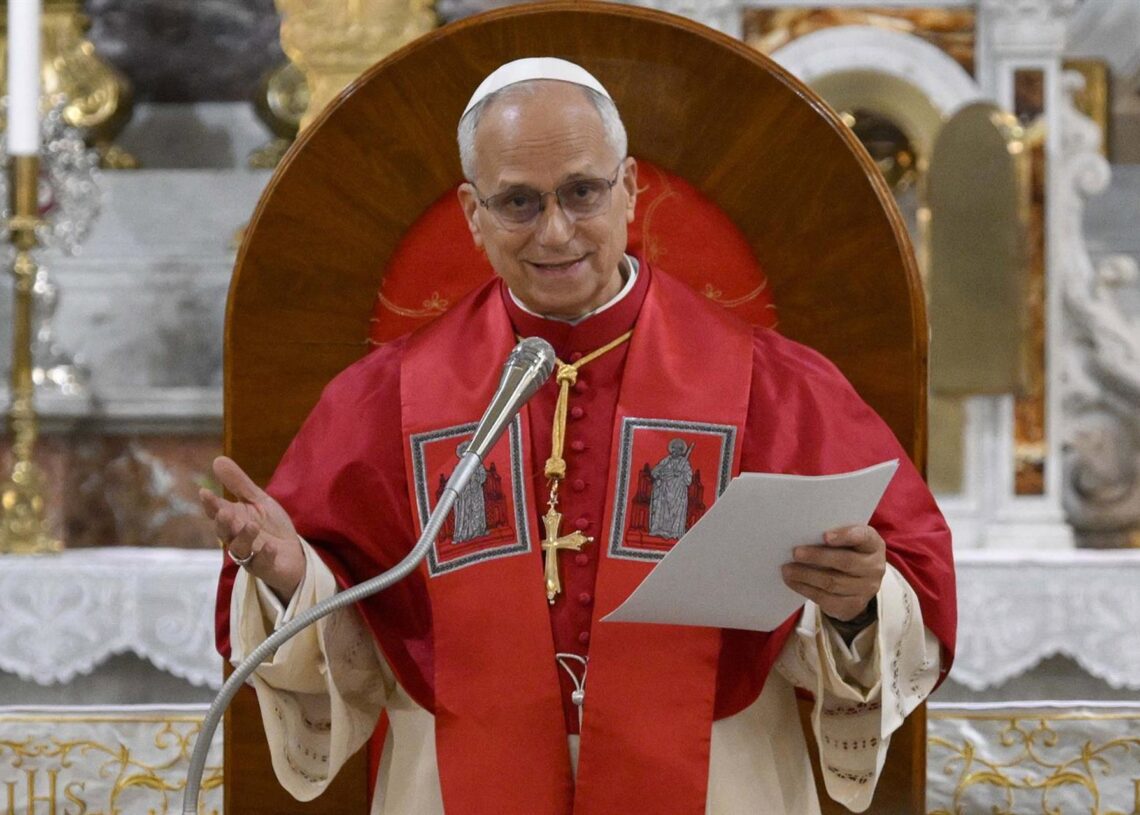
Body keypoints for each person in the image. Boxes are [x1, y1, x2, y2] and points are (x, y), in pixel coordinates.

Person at [204, 58, 956, 815]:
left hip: (716, 780)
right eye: (518, 203)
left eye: (582, 192)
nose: (555, 230)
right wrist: (286, 572)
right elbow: (355, 633)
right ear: (473, 210)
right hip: (454, 782)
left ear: (629, 186)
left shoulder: (773, 384)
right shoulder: (383, 399)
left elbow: (912, 581)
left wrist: (857, 601)